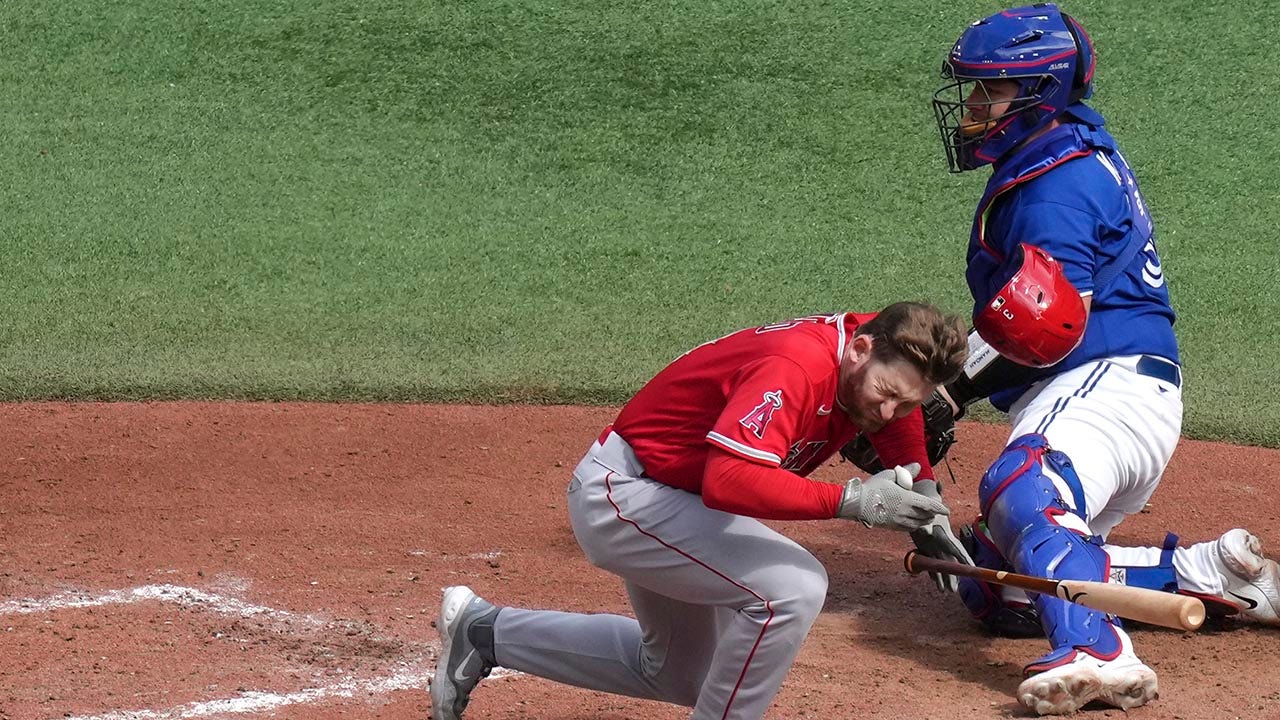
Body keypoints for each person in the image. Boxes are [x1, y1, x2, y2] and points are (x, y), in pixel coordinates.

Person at [919, 4, 1280, 715]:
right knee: (996, 586)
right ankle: (1208, 572)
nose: (971, 109)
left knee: (1023, 483)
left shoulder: (1059, 183)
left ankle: (1099, 652)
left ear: (1038, 93)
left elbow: (1045, 313)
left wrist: (946, 393)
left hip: (1103, 384)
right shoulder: (1063, 151)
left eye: (989, 91)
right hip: (1114, 391)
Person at [429, 302, 969, 720]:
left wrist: (924, 498)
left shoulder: (873, 354)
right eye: (886, 394)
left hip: (673, 502)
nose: (889, 410)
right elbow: (728, 480)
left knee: (681, 674)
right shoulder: (797, 367)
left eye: (908, 401)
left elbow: (898, 410)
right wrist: (851, 502)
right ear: (859, 348)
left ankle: (485, 633)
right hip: (624, 495)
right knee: (795, 587)